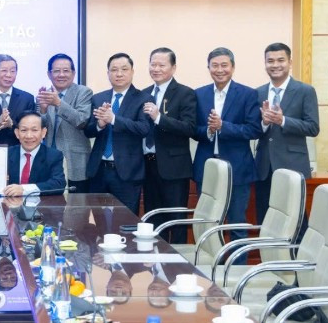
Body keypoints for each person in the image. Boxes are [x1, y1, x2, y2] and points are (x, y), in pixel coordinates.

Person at [193, 47, 260, 245]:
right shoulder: (199, 94)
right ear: (208, 68)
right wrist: (208, 130)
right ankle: (210, 262)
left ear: (233, 67)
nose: (219, 70)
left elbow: (254, 130)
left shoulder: (248, 94)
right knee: (206, 223)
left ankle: (236, 264)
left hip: (237, 168)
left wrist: (223, 126)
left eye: (224, 65)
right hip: (206, 167)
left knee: (236, 223)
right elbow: (192, 129)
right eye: (214, 65)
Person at [254, 43, 319, 224]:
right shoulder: (258, 92)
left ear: (290, 62)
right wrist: (264, 123)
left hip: (293, 165)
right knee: (265, 220)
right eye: (270, 61)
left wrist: (282, 120)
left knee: (295, 220)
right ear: (265, 63)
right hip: (264, 167)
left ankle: (299, 245)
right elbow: (252, 129)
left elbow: (313, 127)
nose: (275, 65)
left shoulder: (305, 91)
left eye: (280, 60)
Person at [141, 48, 197, 243]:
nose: (156, 69)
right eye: (153, 64)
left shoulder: (185, 93)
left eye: (161, 65)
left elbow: (189, 127)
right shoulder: (144, 94)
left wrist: (159, 118)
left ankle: (178, 260)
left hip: (174, 169)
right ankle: (155, 259)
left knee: (176, 220)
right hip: (148, 165)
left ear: (173, 68)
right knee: (153, 219)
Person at [84, 53, 152, 214]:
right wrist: (99, 125)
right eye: (114, 70)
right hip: (99, 170)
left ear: (132, 72)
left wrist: (114, 119)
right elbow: (88, 131)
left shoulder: (144, 98)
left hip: (127, 173)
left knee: (126, 220)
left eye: (124, 69)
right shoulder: (98, 98)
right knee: (98, 221)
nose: (119, 74)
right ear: (108, 73)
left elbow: (143, 128)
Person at [0, 111, 65, 196]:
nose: (29, 136)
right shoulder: (5, 154)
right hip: (9, 206)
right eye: (24, 130)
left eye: (34, 130)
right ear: (17, 133)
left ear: (43, 132)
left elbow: (59, 184)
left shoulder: (53, 156)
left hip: (41, 207)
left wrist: (23, 189)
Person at [38, 53, 93, 192]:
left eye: (66, 70)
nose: (61, 75)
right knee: (51, 202)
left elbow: (81, 120)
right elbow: (40, 129)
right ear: (49, 74)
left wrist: (58, 103)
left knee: (78, 204)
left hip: (75, 160)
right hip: (50, 159)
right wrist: (43, 110)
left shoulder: (83, 92)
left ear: (73, 73)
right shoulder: (45, 94)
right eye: (56, 71)